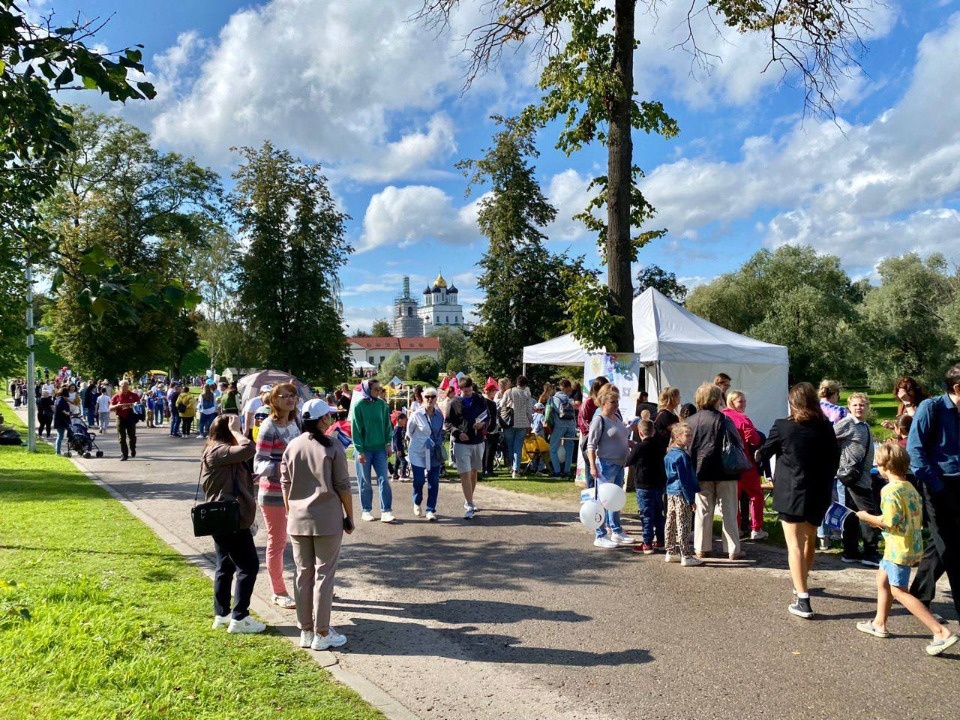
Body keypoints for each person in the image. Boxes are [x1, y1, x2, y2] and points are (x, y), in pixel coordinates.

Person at [855, 443, 957, 655]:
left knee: (899, 591)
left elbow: (889, 521)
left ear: (884, 467)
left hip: (897, 548)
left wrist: (867, 518)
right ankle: (879, 623)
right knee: (882, 579)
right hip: (910, 544)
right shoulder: (910, 487)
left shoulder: (889, 490)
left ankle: (940, 632)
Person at [757, 382, 840, 618]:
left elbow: (765, 451)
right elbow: (834, 458)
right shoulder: (825, 426)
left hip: (792, 491)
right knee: (809, 538)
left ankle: (803, 598)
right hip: (818, 491)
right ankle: (801, 581)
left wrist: (758, 454)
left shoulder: (783, 426)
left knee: (793, 544)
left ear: (792, 403)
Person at [280, 399, 353, 651]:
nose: (331, 419)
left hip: (298, 519)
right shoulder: (332, 445)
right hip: (327, 518)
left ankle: (306, 630)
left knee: (303, 574)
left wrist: (291, 511)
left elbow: (284, 483)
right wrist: (349, 516)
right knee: (324, 575)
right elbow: (343, 485)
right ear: (323, 420)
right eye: (329, 416)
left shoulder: (292, 445)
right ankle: (322, 631)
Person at [907, 362, 960, 624]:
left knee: (939, 544)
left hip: (958, 485)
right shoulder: (932, 407)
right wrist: (937, 487)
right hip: (938, 486)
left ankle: (918, 597)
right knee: (951, 546)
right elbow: (915, 452)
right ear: (958, 388)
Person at [202, 414, 264, 634]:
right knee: (248, 566)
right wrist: (238, 430)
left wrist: (249, 478)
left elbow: (229, 476)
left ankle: (222, 614)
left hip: (223, 516)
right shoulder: (218, 450)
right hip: (230, 517)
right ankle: (240, 617)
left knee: (225, 565)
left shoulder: (218, 451)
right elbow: (249, 449)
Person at [254, 383, 301, 609]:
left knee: (304, 541)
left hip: (298, 493)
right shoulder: (268, 427)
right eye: (285, 396)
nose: (290, 399)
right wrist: (285, 467)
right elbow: (258, 463)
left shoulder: (296, 423)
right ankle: (278, 591)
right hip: (273, 494)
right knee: (278, 541)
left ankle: (308, 587)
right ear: (274, 400)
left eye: (293, 395)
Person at [687, 383, 742, 560]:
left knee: (703, 510)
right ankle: (732, 549)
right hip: (726, 471)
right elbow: (737, 443)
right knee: (729, 510)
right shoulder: (725, 420)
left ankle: (701, 547)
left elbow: (688, 448)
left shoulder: (691, 421)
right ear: (717, 399)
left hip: (701, 470)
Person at [587, 384, 636, 548]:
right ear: (603, 403)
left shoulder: (616, 419)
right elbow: (591, 446)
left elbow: (620, 437)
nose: (616, 405)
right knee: (603, 501)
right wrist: (593, 466)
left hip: (619, 464)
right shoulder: (599, 420)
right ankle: (600, 534)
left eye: (617, 402)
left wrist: (630, 443)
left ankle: (616, 530)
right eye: (613, 402)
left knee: (615, 500)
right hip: (606, 465)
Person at [835, 393, 881, 567]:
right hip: (853, 478)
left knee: (852, 514)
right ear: (849, 407)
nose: (859, 408)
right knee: (869, 514)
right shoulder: (847, 423)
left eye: (862, 405)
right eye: (855, 405)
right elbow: (829, 438)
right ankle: (870, 552)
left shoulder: (864, 425)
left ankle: (850, 551)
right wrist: (841, 461)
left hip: (861, 476)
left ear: (867, 407)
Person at [444, 376, 492, 519]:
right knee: (464, 473)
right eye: (465, 392)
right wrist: (457, 433)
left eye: (470, 391)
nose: (468, 393)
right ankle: (470, 503)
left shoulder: (480, 400)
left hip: (478, 441)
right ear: (460, 390)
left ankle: (468, 498)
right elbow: (448, 423)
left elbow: (487, 417)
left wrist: (482, 425)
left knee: (474, 472)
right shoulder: (454, 403)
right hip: (461, 443)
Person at [723, 390, 767, 541]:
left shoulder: (722, 416)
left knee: (732, 497)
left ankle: (735, 527)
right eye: (740, 402)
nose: (744, 404)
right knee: (756, 495)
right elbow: (754, 440)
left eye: (744, 401)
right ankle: (756, 528)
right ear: (731, 402)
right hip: (745, 463)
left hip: (726, 464)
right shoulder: (742, 418)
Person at [351, 379, 395, 523]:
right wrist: (360, 450)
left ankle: (386, 511)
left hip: (380, 449)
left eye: (380, 389)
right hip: (364, 449)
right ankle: (366, 510)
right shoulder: (359, 406)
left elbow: (387, 426)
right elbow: (356, 430)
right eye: (376, 389)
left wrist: (388, 444)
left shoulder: (382, 405)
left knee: (384, 479)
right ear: (367, 389)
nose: (379, 391)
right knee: (365, 481)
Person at [663, 423, 702, 566]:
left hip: (671, 491)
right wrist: (691, 499)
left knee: (671, 521)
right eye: (687, 435)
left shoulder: (669, 454)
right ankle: (686, 554)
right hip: (681, 492)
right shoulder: (682, 457)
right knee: (684, 523)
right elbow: (685, 480)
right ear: (677, 436)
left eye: (691, 435)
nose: (690, 438)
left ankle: (671, 551)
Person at [816, 379, 849, 550]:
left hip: (816, 459)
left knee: (822, 498)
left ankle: (823, 536)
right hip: (836, 458)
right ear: (835, 394)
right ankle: (839, 531)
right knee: (838, 498)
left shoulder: (812, 409)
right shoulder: (841, 412)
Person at [626, 419, 666, 554]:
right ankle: (661, 540)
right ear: (653, 431)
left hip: (643, 484)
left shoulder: (639, 447)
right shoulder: (659, 445)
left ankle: (647, 543)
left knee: (646, 514)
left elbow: (629, 461)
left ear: (640, 432)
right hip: (659, 484)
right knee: (658, 513)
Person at [407, 387, 445, 521]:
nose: (430, 399)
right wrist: (421, 440)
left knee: (434, 481)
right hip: (418, 452)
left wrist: (436, 442)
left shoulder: (439, 415)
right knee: (419, 480)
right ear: (423, 399)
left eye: (432, 397)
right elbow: (409, 433)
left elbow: (441, 432)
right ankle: (417, 501)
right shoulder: (416, 414)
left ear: (436, 399)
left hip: (433, 453)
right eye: (427, 397)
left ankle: (430, 509)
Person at [500, 375, 534, 479]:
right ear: (525, 384)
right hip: (522, 423)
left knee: (510, 446)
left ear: (516, 383)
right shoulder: (527, 394)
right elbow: (529, 410)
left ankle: (511, 467)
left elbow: (501, 405)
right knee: (518, 447)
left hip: (509, 423)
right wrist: (530, 422)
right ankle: (516, 470)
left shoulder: (509, 392)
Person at [546, 378, 578, 478]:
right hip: (571, 425)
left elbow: (548, 414)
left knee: (553, 448)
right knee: (569, 449)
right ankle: (567, 471)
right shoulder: (570, 400)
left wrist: (548, 424)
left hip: (559, 425)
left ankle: (557, 471)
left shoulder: (554, 398)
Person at [110, 379, 141, 461]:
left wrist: (132, 405)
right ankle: (124, 454)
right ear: (120, 387)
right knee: (121, 438)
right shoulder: (116, 396)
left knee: (132, 436)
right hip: (120, 417)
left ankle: (133, 448)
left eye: (127, 386)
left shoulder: (133, 395)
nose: (125, 387)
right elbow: (110, 408)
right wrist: (117, 405)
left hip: (131, 417)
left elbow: (139, 405)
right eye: (123, 386)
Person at [481, 379, 501, 478]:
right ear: (489, 391)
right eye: (493, 391)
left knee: (489, 451)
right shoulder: (488, 402)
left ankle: (488, 469)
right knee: (488, 451)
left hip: (488, 428)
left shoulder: (484, 401)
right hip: (489, 429)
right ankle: (487, 469)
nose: (494, 393)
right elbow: (491, 417)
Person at [54, 387, 72, 457]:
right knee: (60, 436)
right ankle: (58, 452)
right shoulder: (61, 400)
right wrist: (67, 413)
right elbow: (61, 409)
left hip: (60, 420)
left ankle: (58, 451)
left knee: (60, 436)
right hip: (62, 421)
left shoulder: (58, 399)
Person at [391, 414, 409, 480]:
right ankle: (402, 475)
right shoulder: (397, 429)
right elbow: (395, 441)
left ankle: (395, 474)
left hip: (401, 447)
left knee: (397, 462)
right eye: (404, 420)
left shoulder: (401, 428)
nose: (405, 422)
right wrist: (398, 450)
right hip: (398, 449)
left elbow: (402, 438)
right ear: (399, 420)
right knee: (404, 462)